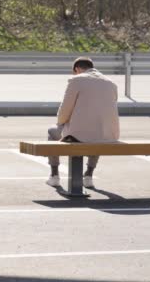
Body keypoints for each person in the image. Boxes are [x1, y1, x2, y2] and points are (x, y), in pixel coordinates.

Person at [46, 57, 120, 188]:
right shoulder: (111, 83)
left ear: (77, 69)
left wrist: (60, 123)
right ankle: (89, 175)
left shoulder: (77, 80)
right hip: (108, 135)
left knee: (52, 132)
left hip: (78, 136)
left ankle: (54, 175)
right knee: (98, 131)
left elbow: (64, 110)